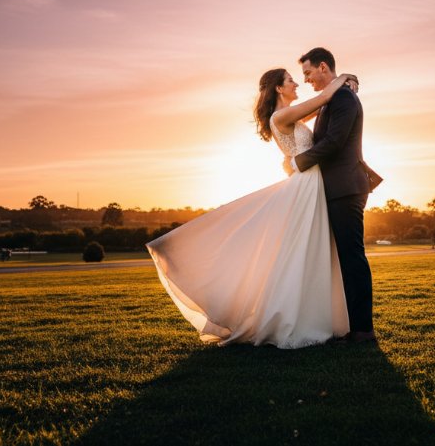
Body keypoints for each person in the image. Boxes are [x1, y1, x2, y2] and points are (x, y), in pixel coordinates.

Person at [146, 67, 359, 348]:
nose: (297, 83)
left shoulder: (289, 115)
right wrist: (344, 77)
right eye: (291, 80)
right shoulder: (281, 116)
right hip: (305, 184)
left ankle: (314, 315)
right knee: (299, 250)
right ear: (279, 88)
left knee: (307, 251)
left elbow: (321, 108)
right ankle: (294, 319)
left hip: (310, 182)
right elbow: (323, 99)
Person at [291, 47, 377, 343]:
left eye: (308, 73)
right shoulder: (333, 97)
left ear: (323, 67)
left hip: (345, 188)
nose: (306, 80)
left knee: (352, 258)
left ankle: (363, 330)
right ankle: (350, 325)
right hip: (335, 188)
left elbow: (334, 142)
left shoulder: (343, 99)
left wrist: (297, 163)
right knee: (344, 258)